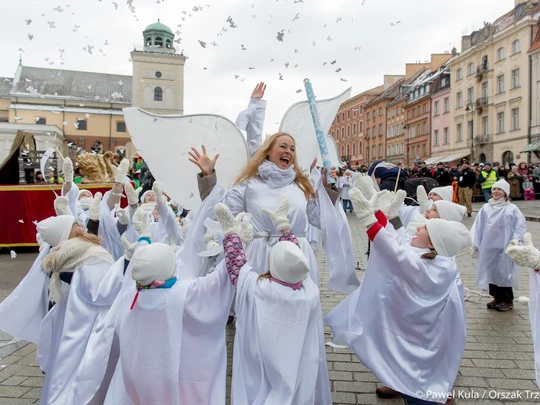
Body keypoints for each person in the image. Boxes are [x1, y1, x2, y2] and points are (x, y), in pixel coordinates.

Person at [325, 187, 470, 405]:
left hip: (417, 336)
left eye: (424, 228)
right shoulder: (434, 257)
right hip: (417, 331)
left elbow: (394, 252)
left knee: (416, 377)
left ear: (432, 243)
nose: (418, 227)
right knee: (410, 368)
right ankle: (411, 386)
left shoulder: (431, 267)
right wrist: (381, 216)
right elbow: (399, 242)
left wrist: (369, 220)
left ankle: (428, 396)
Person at [189, 132, 360, 295]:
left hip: (296, 255)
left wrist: (328, 190)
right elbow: (221, 208)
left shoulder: (301, 186)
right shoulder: (250, 185)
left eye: (292, 149)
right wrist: (208, 176)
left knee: (297, 309)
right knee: (260, 309)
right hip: (260, 256)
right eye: (283, 147)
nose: (288, 152)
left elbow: (321, 218)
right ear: (268, 152)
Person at [103, 208, 235, 405]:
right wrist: (234, 239)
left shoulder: (133, 290)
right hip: (173, 376)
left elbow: (141, 263)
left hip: (139, 376)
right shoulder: (182, 293)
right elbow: (218, 282)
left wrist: (144, 238)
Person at [214, 198, 332, 404]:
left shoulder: (262, 289)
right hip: (297, 366)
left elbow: (237, 268)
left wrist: (231, 234)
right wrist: (284, 228)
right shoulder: (309, 290)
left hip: (266, 365)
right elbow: (296, 260)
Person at [37, 214, 120, 404]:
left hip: (72, 321)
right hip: (89, 324)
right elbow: (101, 293)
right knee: (84, 373)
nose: (81, 225)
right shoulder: (88, 255)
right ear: (66, 233)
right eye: (75, 225)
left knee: (66, 367)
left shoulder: (63, 255)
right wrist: (125, 270)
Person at [470, 179, 526, 311]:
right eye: (494, 189)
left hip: (505, 247)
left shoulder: (512, 209)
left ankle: (507, 299)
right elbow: (478, 226)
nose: (496, 191)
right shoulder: (486, 208)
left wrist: (516, 240)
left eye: (499, 189)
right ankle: (496, 297)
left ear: (505, 192)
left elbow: (519, 226)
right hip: (488, 246)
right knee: (491, 271)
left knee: (504, 272)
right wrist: (474, 243)